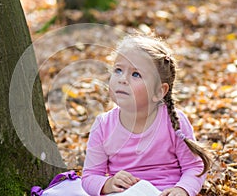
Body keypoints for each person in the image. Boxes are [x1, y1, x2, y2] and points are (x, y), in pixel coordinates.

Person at [81, 32, 211, 196]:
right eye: (118, 70)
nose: (123, 79)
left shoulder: (173, 122)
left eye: (136, 74)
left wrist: (182, 189)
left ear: (159, 91)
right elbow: (89, 176)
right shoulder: (103, 125)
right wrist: (108, 183)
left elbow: (194, 167)